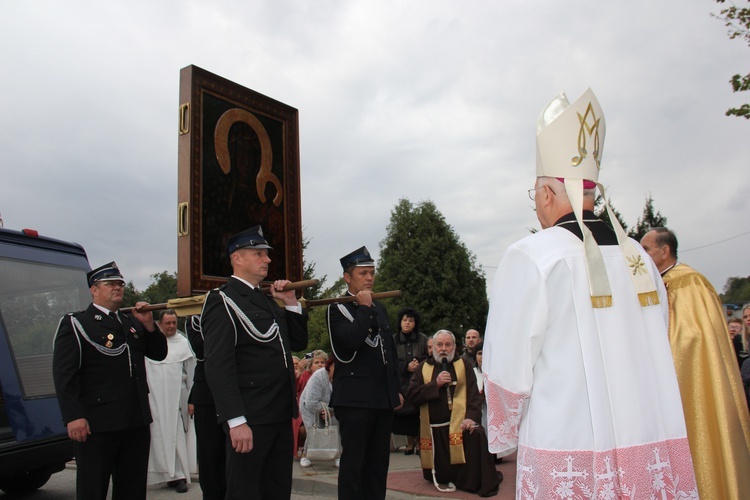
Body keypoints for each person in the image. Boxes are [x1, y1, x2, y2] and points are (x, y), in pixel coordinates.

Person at [483, 89, 697, 498]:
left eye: (535, 197)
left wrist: (502, 433)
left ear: (546, 194)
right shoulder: (640, 258)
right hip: (648, 436)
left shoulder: (531, 256)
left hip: (566, 438)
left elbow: (508, 365)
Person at [641, 227, 750, 497]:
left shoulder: (690, 282)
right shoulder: (652, 283)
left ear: (665, 251)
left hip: (688, 379)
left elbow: (693, 337)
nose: (641, 256)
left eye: (647, 250)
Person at [201, 225, 308, 500]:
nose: (268, 260)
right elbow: (218, 365)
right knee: (245, 491)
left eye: (267, 254)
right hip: (251, 417)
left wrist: (291, 302)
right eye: (259, 253)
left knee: (276, 490)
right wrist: (235, 421)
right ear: (238, 258)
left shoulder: (267, 300)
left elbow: (296, 344)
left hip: (280, 413)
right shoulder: (222, 300)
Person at [52, 262, 168, 500]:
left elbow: (158, 354)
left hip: (134, 419)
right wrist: (73, 416)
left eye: (120, 284)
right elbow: (65, 374)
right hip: (98, 423)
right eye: (110, 284)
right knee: (93, 487)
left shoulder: (131, 323)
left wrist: (148, 324)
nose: (118, 288)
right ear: (94, 290)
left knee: (133, 487)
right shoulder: (78, 323)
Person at [327, 245, 401, 500]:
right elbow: (349, 344)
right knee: (354, 465)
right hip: (354, 399)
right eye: (363, 273)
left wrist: (396, 390)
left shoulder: (379, 307)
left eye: (371, 272)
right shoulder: (337, 308)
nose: (369, 278)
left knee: (378, 465)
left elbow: (389, 351)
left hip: (381, 398)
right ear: (348, 277)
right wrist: (364, 309)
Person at [407, 330, 501, 497]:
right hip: (433, 432)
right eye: (440, 345)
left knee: (477, 434)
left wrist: (470, 419)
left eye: (448, 345)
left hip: (459, 427)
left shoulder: (463, 365)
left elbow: (473, 397)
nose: (444, 349)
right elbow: (412, 395)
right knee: (438, 476)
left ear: (455, 347)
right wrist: (435, 384)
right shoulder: (423, 368)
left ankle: (470, 480)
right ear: (433, 347)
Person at [146, 309, 197, 493]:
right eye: (167, 323)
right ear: (160, 324)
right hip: (155, 400)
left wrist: (192, 400)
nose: (171, 326)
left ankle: (179, 475)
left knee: (176, 436)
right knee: (158, 436)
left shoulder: (183, 344)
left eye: (174, 323)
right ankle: (165, 474)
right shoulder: (151, 344)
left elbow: (192, 375)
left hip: (177, 398)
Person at [185, 315, 227, 500]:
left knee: (232, 453)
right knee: (209, 453)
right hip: (207, 394)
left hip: (234, 389)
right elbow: (202, 349)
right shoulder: (195, 319)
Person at [392, 307, 429, 455]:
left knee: (418, 412)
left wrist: (417, 365)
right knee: (405, 413)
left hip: (418, 381)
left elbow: (428, 357)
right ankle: (409, 443)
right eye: (405, 320)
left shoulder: (423, 339)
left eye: (411, 321)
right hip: (401, 381)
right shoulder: (393, 339)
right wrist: (405, 367)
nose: (407, 323)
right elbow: (391, 361)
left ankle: (420, 442)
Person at [299, 355, 339, 468]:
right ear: (329, 366)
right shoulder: (319, 376)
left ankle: (338, 455)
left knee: (336, 425)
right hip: (308, 407)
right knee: (313, 428)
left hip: (331, 408)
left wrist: (331, 411)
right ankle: (305, 455)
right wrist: (327, 409)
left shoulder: (341, 377)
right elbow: (310, 402)